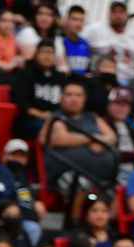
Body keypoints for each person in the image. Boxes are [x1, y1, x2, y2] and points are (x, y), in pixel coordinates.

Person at [41, 78, 118, 221]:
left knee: (122, 186)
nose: (73, 99)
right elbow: (61, 139)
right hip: (66, 171)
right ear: (61, 98)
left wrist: (85, 140)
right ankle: (74, 223)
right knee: (81, 184)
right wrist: (93, 139)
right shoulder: (56, 117)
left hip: (101, 174)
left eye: (78, 95)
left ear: (84, 99)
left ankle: (109, 227)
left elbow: (111, 137)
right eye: (69, 95)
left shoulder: (93, 117)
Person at [11, 39, 65, 139]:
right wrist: (42, 115)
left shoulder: (61, 78)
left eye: (51, 52)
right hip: (30, 120)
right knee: (52, 129)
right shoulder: (25, 74)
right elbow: (21, 102)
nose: (47, 56)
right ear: (36, 54)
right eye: (44, 52)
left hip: (57, 120)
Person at [82, 1, 134, 84]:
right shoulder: (94, 29)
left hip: (128, 80)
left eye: (121, 12)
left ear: (127, 15)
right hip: (101, 80)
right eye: (114, 12)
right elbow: (78, 43)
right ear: (108, 14)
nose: (118, 15)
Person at [2, 138, 46, 247]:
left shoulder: (24, 176)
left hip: (28, 217)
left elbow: (24, 195)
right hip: (9, 218)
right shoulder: (1, 173)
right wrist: (8, 206)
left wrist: (35, 202)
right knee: (32, 228)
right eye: (14, 155)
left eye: (22, 155)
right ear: (5, 156)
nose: (18, 159)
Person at [15, 2, 67, 72]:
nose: (44, 18)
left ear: (54, 18)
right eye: (40, 14)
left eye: (48, 15)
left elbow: (62, 64)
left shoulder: (58, 39)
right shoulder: (27, 32)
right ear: (35, 16)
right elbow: (30, 61)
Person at [105, 87, 134, 185]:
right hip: (110, 180)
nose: (122, 108)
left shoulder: (130, 126)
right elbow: (106, 155)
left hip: (130, 180)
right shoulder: (102, 124)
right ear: (108, 105)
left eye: (126, 105)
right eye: (117, 103)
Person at [0, 10, 23, 84]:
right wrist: (12, 65)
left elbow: (19, 59)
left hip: (11, 74)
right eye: (4, 21)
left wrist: (19, 60)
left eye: (11, 21)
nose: (8, 24)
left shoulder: (13, 39)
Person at [62, 4, 91, 76]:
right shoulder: (60, 42)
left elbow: (87, 70)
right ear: (67, 20)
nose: (78, 24)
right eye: (75, 19)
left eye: (81, 20)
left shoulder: (86, 44)